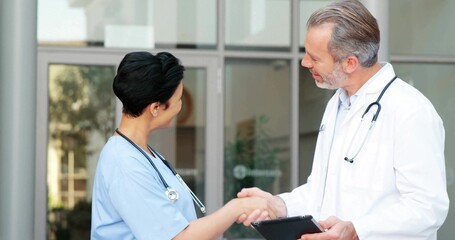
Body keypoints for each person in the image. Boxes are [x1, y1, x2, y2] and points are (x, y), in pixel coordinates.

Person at [237, 0, 449, 239]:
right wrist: (279, 205)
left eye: (314, 58)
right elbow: (323, 191)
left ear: (350, 63)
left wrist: (357, 229)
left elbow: (427, 208)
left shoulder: (410, 110)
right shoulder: (337, 104)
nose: (305, 63)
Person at [91, 51, 275, 239]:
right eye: (178, 100)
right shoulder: (124, 163)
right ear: (155, 108)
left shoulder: (145, 154)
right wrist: (238, 207)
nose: (180, 106)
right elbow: (176, 237)